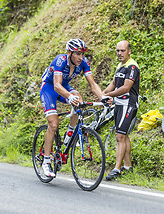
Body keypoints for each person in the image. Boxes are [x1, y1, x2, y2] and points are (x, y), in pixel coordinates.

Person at [40, 39, 104, 177]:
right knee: (53, 123)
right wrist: (69, 97)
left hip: (64, 87)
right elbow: (57, 85)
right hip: (49, 88)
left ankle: (70, 133)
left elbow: (92, 84)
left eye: (82, 54)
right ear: (69, 52)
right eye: (77, 54)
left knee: (79, 99)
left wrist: (103, 97)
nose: (81, 57)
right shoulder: (60, 60)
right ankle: (46, 161)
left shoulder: (83, 63)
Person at [103, 40, 140, 181]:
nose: (119, 53)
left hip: (128, 104)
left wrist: (108, 95)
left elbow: (125, 88)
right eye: (118, 50)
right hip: (119, 103)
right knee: (124, 135)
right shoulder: (121, 65)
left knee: (119, 136)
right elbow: (113, 83)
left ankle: (116, 169)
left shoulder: (132, 67)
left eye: (122, 50)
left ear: (129, 51)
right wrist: (102, 94)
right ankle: (127, 166)